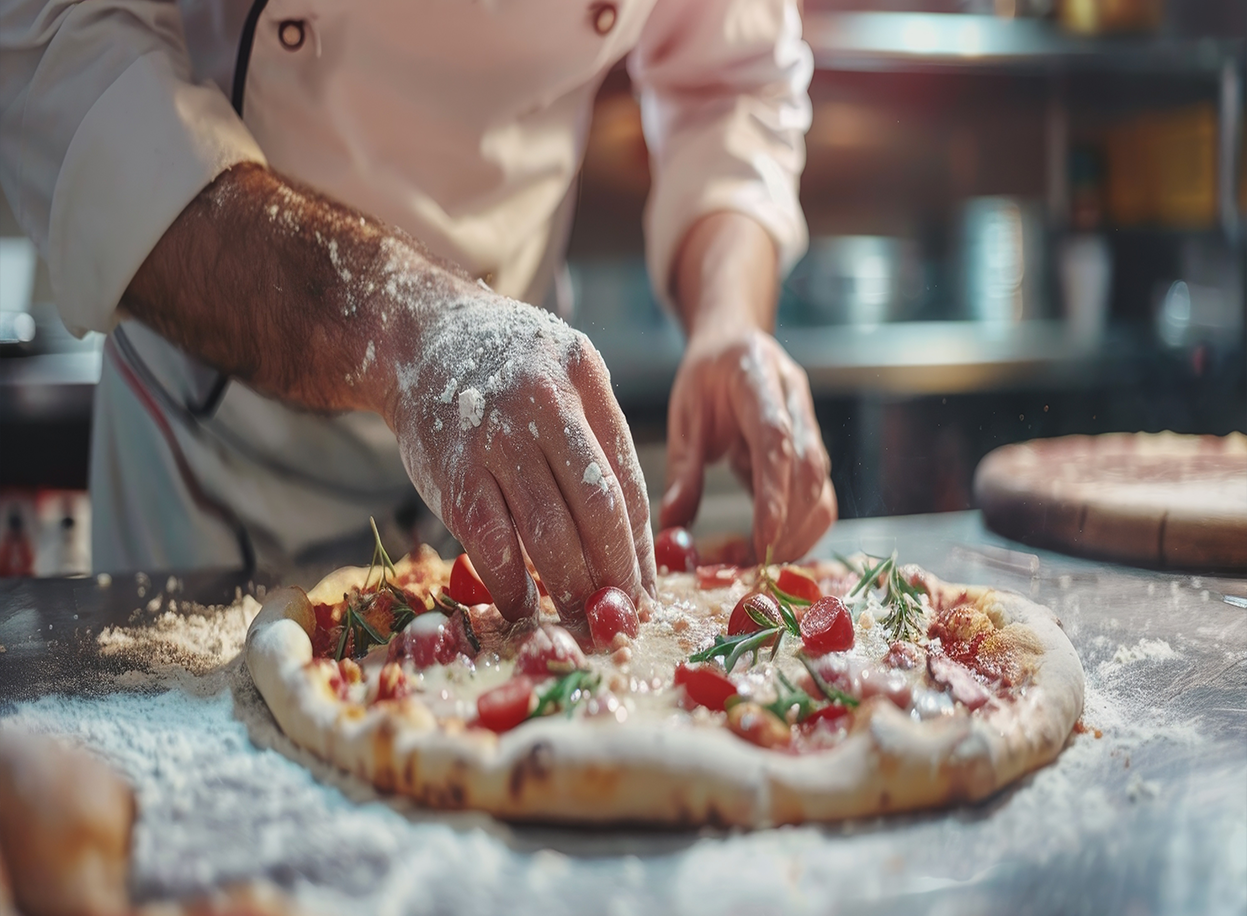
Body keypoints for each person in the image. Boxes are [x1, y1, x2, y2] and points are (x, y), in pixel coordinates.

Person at [0, 0, 836, 627]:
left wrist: (729, 315)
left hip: (521, 428)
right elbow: (59, 62)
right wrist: (412, 334)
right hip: (219, 451)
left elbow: (731, 81)